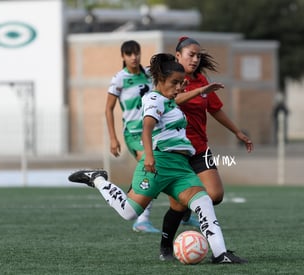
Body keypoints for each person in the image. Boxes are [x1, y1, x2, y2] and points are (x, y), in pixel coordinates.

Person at [68, 53, 247, 264]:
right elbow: (147, 127)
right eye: (175, 82)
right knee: (129, 213)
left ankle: (220, 254)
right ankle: (97, 178)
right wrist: (150, 158)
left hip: (181, 167)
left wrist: (200, 91)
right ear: (160, 80)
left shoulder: (171, 101)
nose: (180, 86)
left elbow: (179, 102)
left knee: (204, 201)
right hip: (158, 163)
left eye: (182, 83)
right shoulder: (153, 99)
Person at [158, 37, 253, 260]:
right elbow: (173, 100)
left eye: (198, 55)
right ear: (178, 55)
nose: (195, 59)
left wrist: (237, 132)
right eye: (191, 54)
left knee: (215, 195)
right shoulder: (171, 78)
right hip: (175, 152)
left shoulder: (201, 79)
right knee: (178, 206)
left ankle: (192, 210)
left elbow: (215, 109)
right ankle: (165, 247)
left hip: (199, 148)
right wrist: (200, 90)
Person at [105, 40, 160, 233]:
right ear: (123, 57)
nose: (134, 57)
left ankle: (183, 214)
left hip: (153, 132)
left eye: (136, 53)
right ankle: (141, 219)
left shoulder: (148, 75)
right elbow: (109, 109)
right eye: (129, 54)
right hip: (134, 133)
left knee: (161, 168)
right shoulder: (119, 79)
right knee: (150, 166)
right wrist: (113, 138)